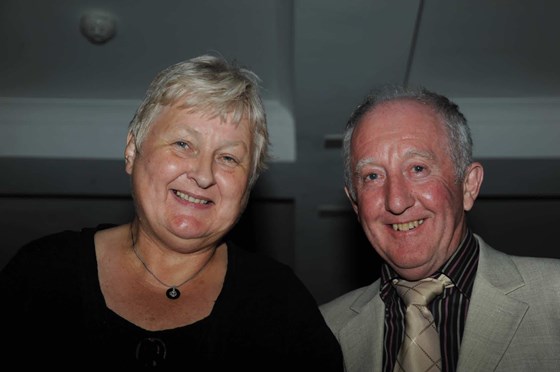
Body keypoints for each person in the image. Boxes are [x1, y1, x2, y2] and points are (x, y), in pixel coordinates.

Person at [0, 54, 344, 370]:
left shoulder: (281, 304)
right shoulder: (41, 273)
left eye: (228, 158)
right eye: (183, 144)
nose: (204, 174)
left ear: (248, 184)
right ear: (132, 151)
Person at [320, 84, 560, 371]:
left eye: (418, 168)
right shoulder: (323, 330)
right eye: (372, 176)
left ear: (468, 186)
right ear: (355, 204)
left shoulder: (554, 296)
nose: (396, 201)